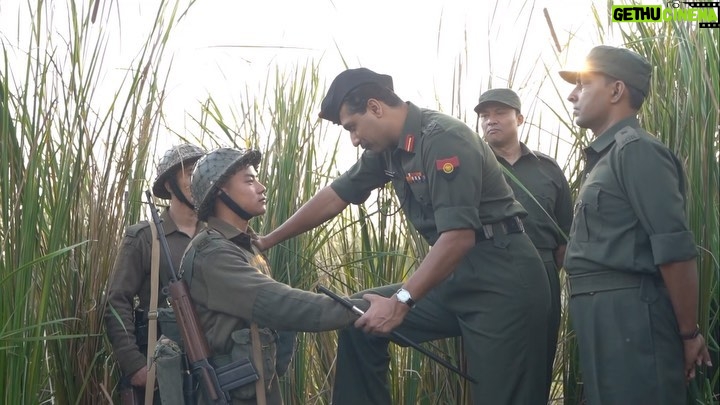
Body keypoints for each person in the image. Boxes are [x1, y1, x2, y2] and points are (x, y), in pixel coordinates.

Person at [256, 68, 552, 404]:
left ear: (375, 107)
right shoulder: (388, 149)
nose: (353, 139)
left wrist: (401, 302)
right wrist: (266, 241)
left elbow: (458, 237)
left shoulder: (443, 139)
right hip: (455, 277)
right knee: (358, 318)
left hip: (503, 279)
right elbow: (336, 195)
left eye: (352, 126)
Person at [559, 45, 712, 404]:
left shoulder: (637, 151)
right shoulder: (606, 157)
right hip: (602, 315)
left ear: (616, 91)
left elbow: (674, 248)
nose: (572, 94)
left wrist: (688, 334)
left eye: (583, 83)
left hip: (629, 314)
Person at [183, 147, 369, 405]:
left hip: (256, 387)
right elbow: (277, 303)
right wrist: (362, 309)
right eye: (249, 181)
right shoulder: (213, 254)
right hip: (231, 395)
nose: (261, 187)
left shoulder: (242, 246)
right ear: (220, 192)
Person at [475, 88, 573, 401]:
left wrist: (546, 275)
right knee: (493, 368)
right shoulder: (472, 167)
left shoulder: (548, 169)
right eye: (484, 115)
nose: (491, 121)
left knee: (538, 363)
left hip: (543, 274)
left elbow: (564, 238)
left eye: (499, 113)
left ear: (519, 118)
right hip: (488, 273)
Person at [105, 143, 206, 401]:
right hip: (162, 371)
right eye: (190, 172)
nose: (197, 179)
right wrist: (135, 364)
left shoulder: (216, 237)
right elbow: (117, 301)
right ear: (170, 185)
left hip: (211, 364)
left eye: (201, 172)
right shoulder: (144, 237)